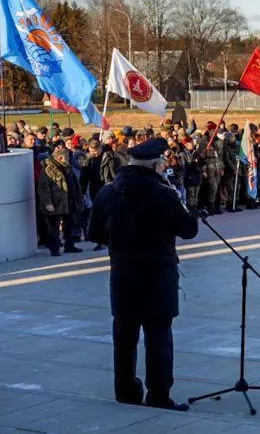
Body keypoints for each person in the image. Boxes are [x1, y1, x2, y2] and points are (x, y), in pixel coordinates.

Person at [88, 136, 199, 411]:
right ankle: (159, 395)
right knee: (158, 337)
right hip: (157, 276)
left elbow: (95, 233)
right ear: (155, 164)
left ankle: (125, 391)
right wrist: (186, 206)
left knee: (124, 337)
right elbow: (189, 230)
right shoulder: (164, 194)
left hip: (123, 275)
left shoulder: (107, 192)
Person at [37, 146, 81, 256]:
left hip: (69, 201)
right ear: (60, 158)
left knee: (70, 225)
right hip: (55, 203)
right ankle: (54, 249)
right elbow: (44, 189)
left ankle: (69, 246)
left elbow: (74, 183)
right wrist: (48, 203)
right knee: (54, 228)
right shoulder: (48, 170)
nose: (69, 160)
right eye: (67, 158)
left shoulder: (67, 167)